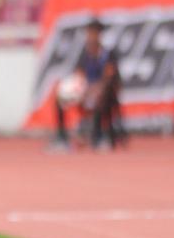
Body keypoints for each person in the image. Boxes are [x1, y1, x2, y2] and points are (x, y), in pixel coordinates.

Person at [53, 18, 123, 151]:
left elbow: (109, 78)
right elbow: (79, 75)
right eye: (89, 33)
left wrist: (95, 89)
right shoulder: (84, 55)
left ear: (99, 35)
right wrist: (76, 88)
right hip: (86, 91)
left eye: (93, 33)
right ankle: (61, 137)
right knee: (60, 98)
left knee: (99, 96)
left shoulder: (108, 55)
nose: (91, 37)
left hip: (104, 93)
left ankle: (98, 137)